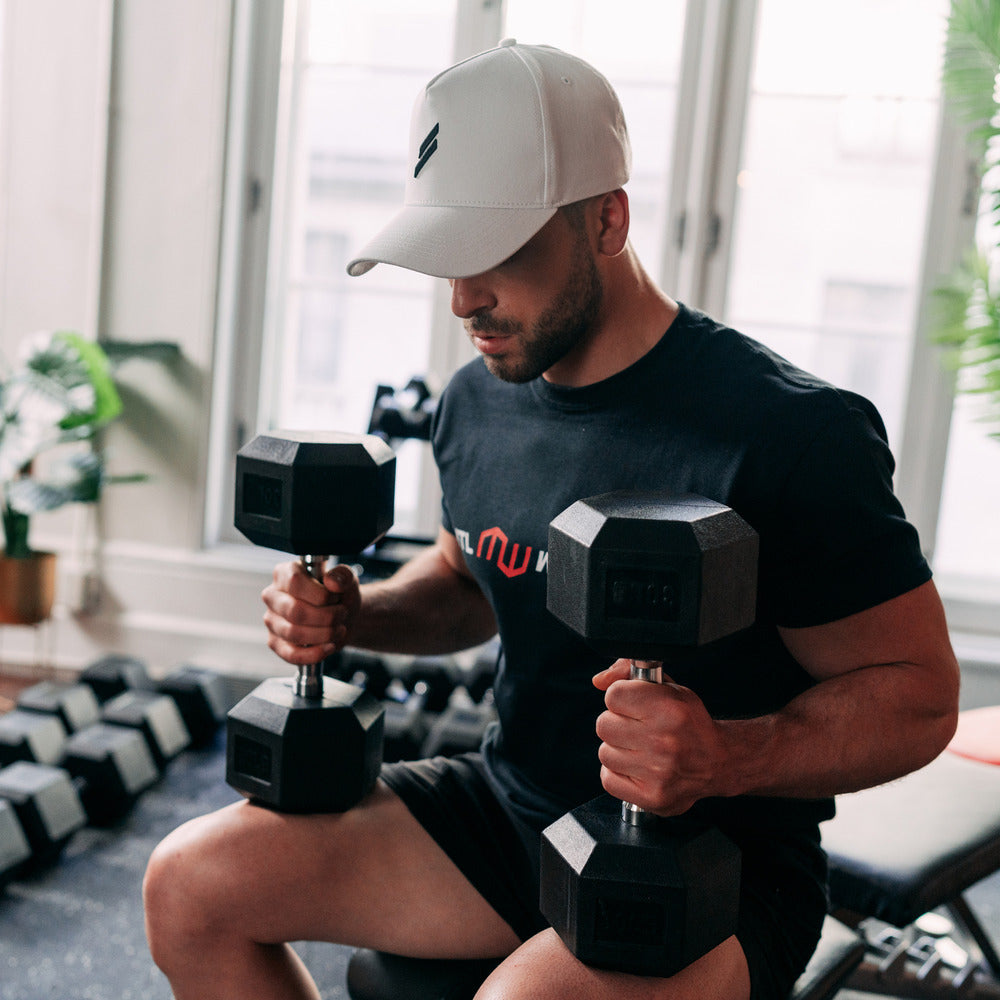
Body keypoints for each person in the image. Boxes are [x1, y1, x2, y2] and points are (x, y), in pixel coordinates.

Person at [143, 39, 960, 1000]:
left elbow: (918, 694)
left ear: (607, 221)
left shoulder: (789, 433)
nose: (463, 300)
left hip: (707, 865)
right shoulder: (475, 403)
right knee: (188, 886)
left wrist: (725, 755)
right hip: (509, 809)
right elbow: (468, 585)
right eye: (445, 257)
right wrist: (357, 615)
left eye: (494, 254)